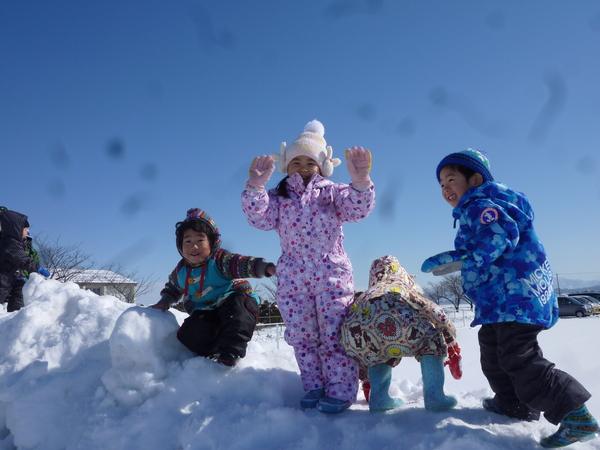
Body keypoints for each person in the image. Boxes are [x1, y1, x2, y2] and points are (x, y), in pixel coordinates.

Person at [421, 149, 598, 448]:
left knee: (519, 358)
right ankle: (513, 404)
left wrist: (462, 256)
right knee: (493, 354)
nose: (445, 188)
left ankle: (575, 414)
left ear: (475, 179)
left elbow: (498, 235)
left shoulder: (483, 204)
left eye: (451, 179)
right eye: (440, 184)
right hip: (498, 301)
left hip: (516, 297)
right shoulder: (473, 208)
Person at [241, 119, 375, 414]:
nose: (302, 167)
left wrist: (361, 182)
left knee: (334, 333)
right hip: (292, 278)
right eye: (295, 161)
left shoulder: (333, 192)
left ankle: (341, 390)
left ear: (322, 165)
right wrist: (255, 186)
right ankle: (314, 385)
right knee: (302, 335)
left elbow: (357, 209)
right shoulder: (279, 197)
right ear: (286, 166)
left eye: (309, 162)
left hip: (332, 275)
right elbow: (259, 218)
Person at [151, 208, 276, 367]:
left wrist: (266, 268)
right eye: (188, 241)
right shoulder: (181, 270)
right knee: (189, 334)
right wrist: (165, 301)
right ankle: (210, 351)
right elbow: (173, 287)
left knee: (238, 307)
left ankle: (232, 350)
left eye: (200, 241)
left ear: (212, 243)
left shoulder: (219, 260)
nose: (194, 247)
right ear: (180, 247)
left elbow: (242, 263)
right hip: (206, 312)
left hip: (231, 302)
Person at [341, 255, 461, 412]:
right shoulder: (401, 287)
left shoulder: (369, 292)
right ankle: (435, 397)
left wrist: (365, 377)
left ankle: (379, 398)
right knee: (432, 339)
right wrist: (450, 337)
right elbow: (435, 312)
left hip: (358, 333)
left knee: (376, 350)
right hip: (402, 329)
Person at [0, 208, 50, 312]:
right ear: (16, 229)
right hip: (2, 276)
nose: (27, 232)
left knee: (21, 288)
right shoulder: (10, 243)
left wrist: (20, 273)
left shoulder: (17, 243)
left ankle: (15, 313)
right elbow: (22, 259)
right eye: (25, 230)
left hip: (10, 274)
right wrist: (37, 268)